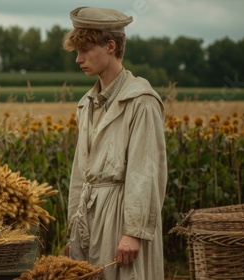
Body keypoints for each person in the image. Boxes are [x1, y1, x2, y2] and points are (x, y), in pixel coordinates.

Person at [62, 7, 167, 280]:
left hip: (122, 216)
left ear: (110, 46)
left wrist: (133, 232)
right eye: (77, 51)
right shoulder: (86, 104)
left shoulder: (141, 101)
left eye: (85, 49)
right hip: (90, 217)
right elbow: (79, 172)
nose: (78, 59)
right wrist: (75, 229)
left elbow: (145, 172)